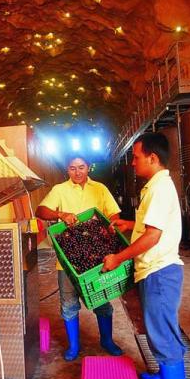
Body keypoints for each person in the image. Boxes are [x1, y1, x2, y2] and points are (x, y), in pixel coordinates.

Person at [103, 132, 188, 379]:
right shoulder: (154, 187)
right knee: (156, 330)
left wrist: (117, 258)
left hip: (160, 271)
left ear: (153, 158)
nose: (132, 163)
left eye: (136, 157)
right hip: (153, 270)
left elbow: (153, 236)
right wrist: (129, 223)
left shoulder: (160, 188)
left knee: (163, 334)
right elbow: (147, 226)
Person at [36, 155, 123, 361]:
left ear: (88, 168)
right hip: (67, 258)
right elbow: (41, 210)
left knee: (102, 300)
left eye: (81, 167)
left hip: (96, 257)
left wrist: (109, 224)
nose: (77, 172)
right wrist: (60, 215)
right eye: (73, 168)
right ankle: (74, 346)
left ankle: (107, 340)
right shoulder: (59, 190)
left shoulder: (100, 188)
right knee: (68, 304)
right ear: (67, 169)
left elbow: (114, 214)